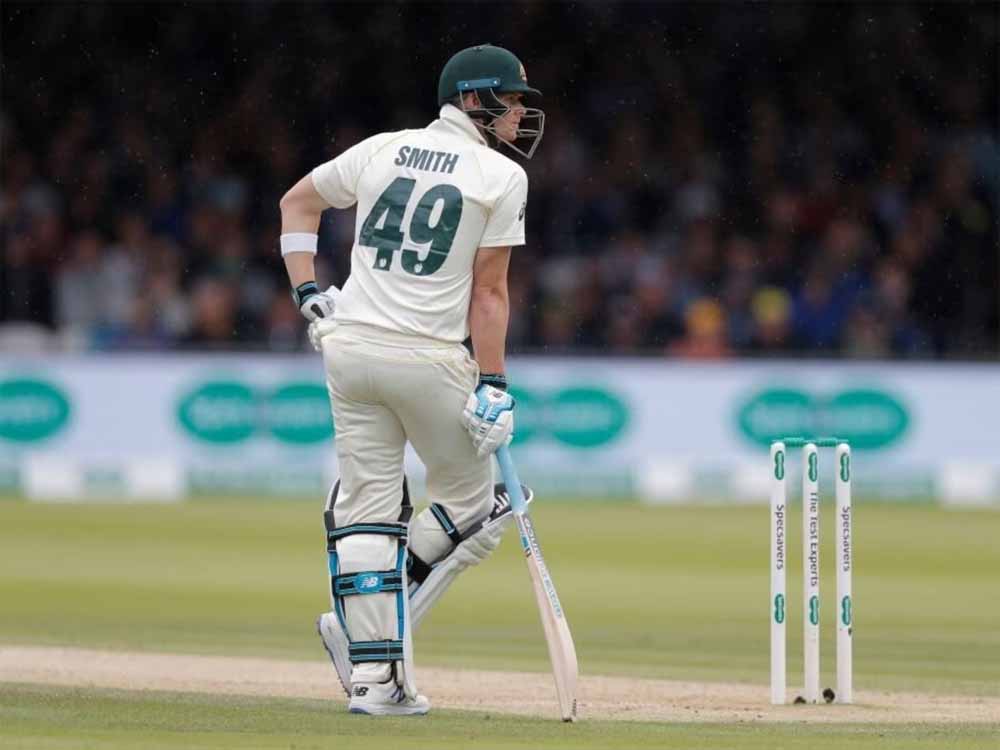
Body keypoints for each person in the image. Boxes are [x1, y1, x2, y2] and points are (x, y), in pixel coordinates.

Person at [278, 44, 543, 716]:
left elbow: (296, 203)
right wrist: (495, 383)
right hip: (426, 357)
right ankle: (364, 639)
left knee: (368, 511)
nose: (520, 113)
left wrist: (308, 293)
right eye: (511, 100)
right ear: (474, 99)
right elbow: (489, 292)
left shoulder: (382, 148)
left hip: (347, 348)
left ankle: (375, 677)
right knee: (480, 509)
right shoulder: (500, 175)